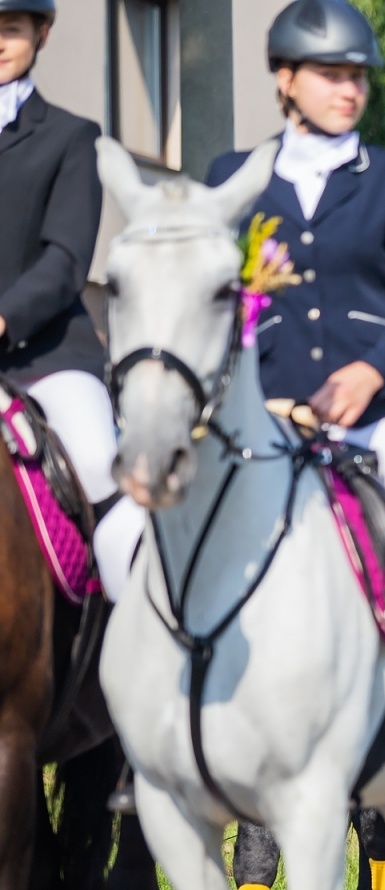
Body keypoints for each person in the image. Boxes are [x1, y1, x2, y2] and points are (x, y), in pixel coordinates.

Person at [205, 0, 385, 796]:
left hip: (381, 411)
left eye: (357, 76)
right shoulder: (233, 179)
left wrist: (368, 375)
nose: (349, 90)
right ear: (284, 79)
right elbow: (215, 303)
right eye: (331, 75)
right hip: (263, 414)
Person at [0, 0, 142, 599]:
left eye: (8, 28)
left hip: (47, 359)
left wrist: (5, 315)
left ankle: (136, 660)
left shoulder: (70, 136)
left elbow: (64, 261)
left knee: (101, 478)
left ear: (42, 33)